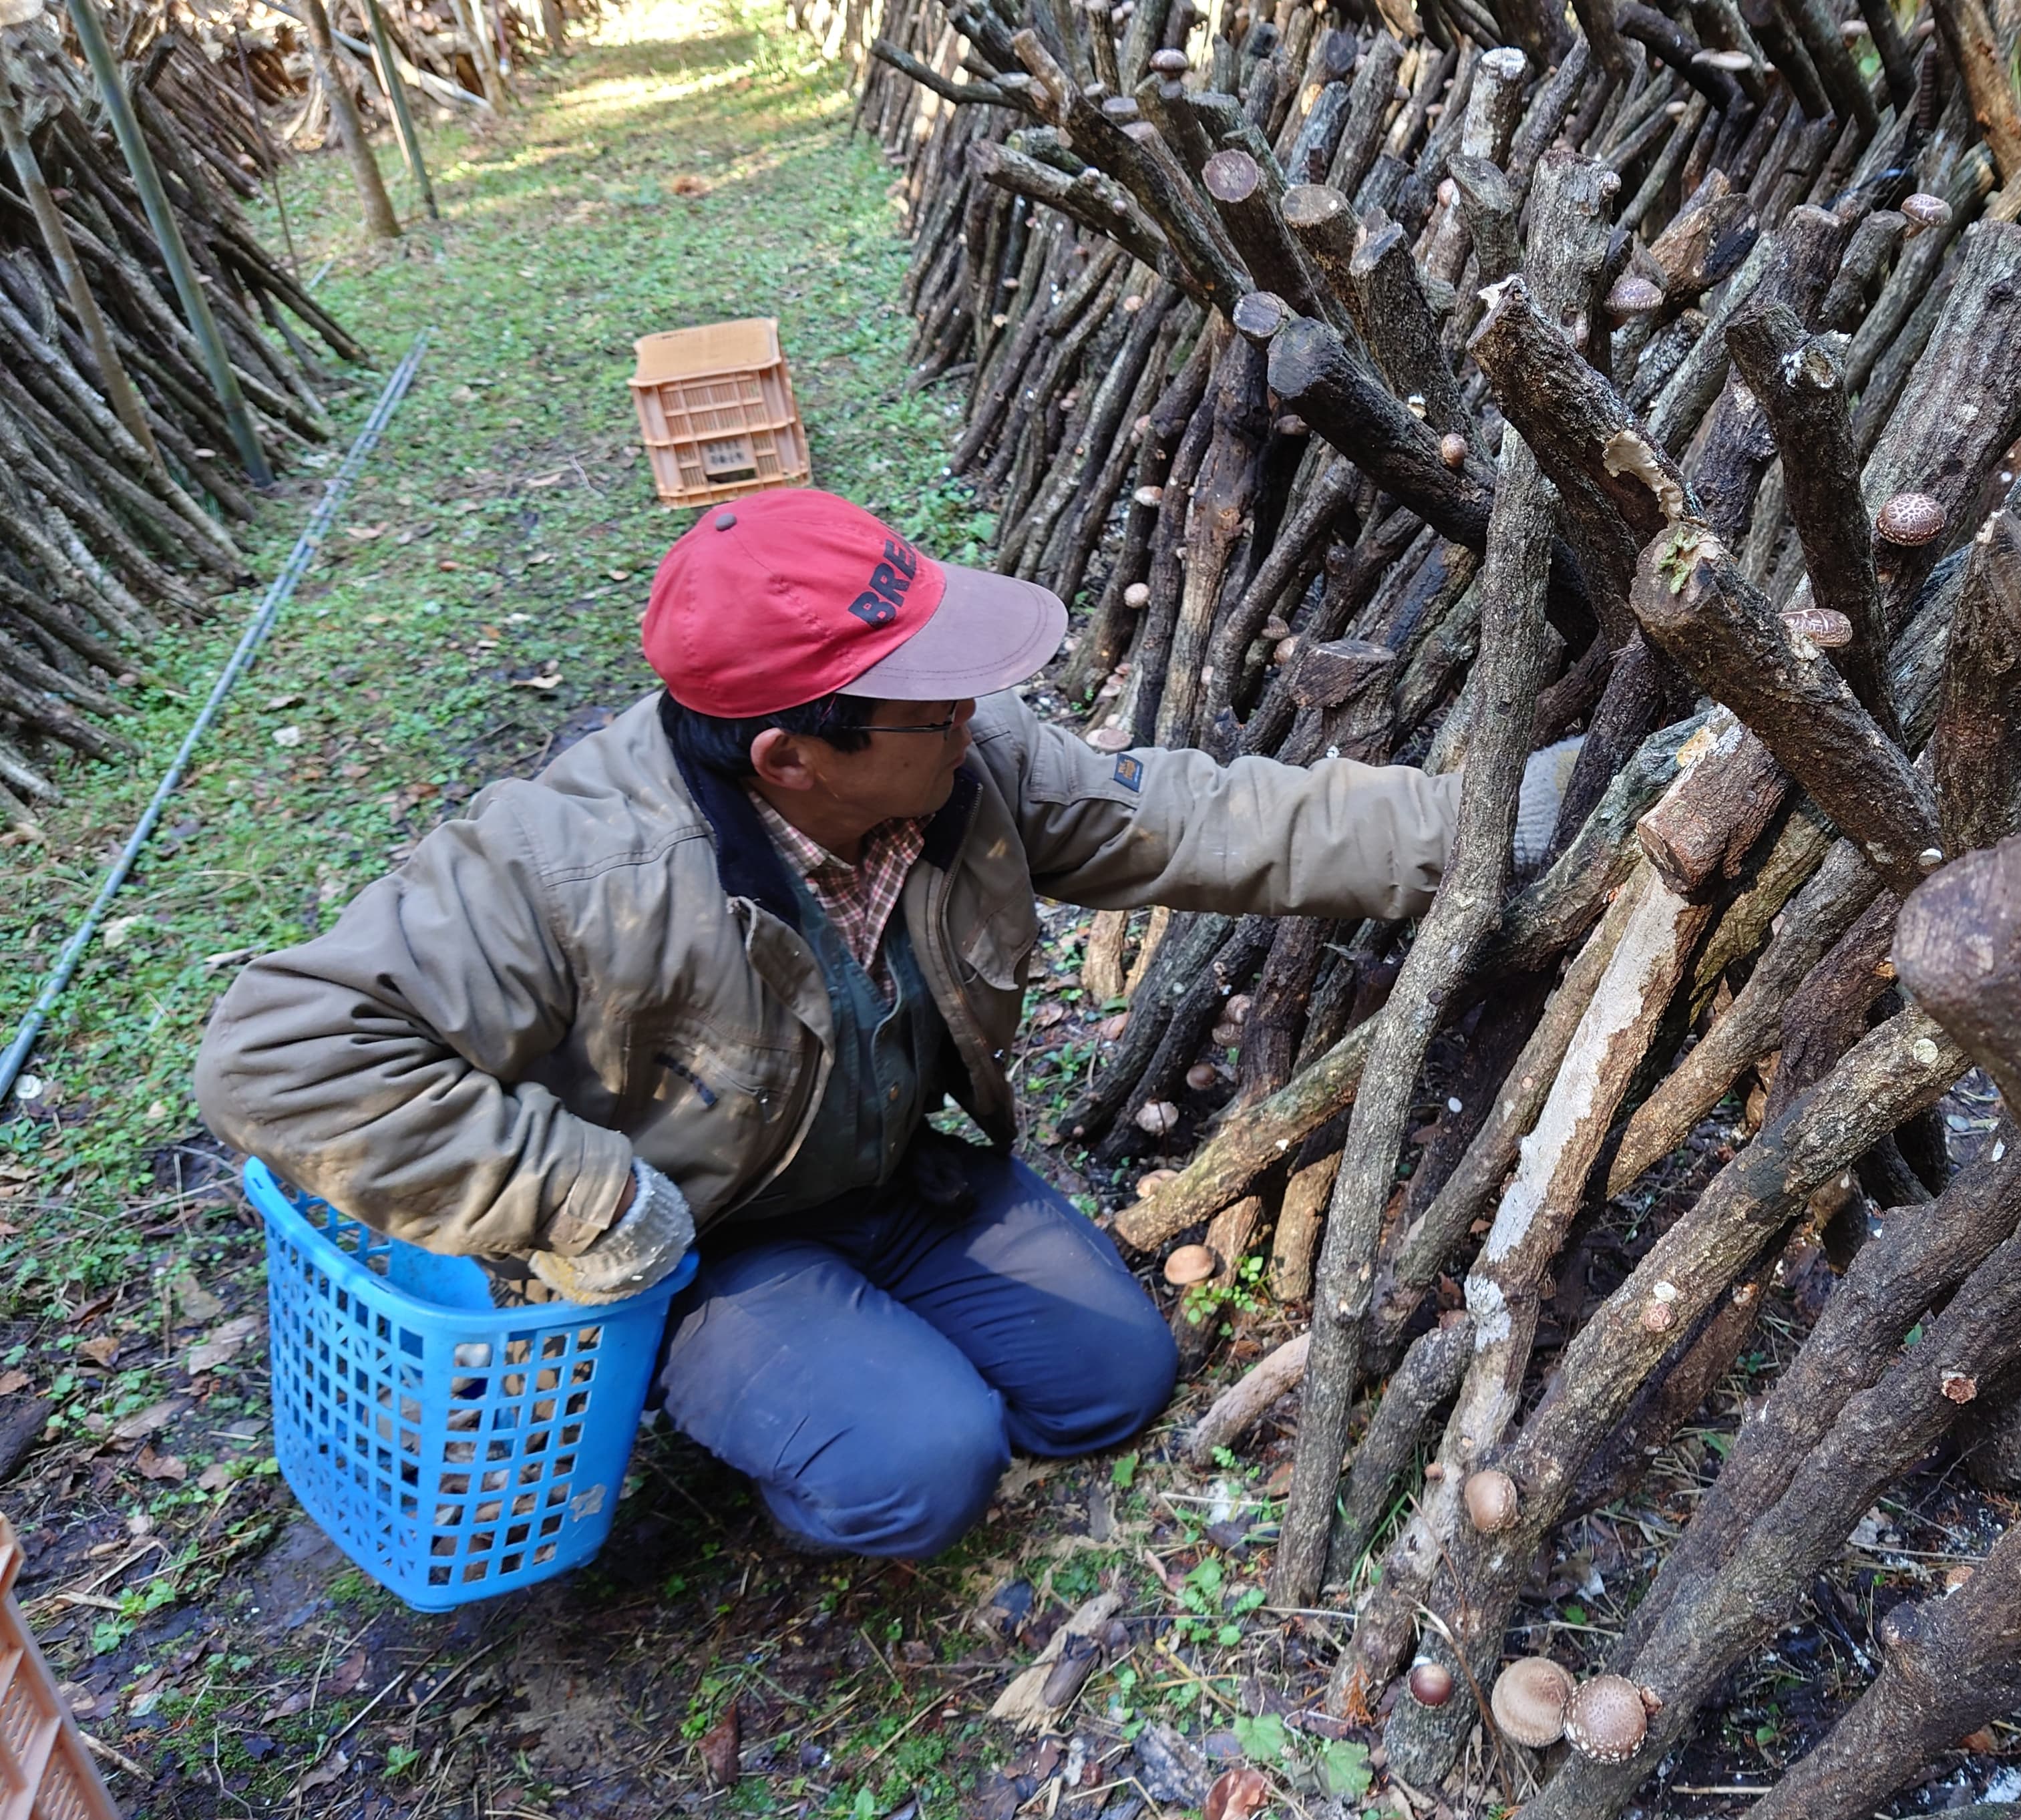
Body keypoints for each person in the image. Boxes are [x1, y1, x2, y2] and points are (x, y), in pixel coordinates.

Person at [196, 489, 1457, 1560]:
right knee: (923, 1470)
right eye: (934, 705)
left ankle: (857, 1346)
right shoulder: (575, 869)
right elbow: (275, 1051)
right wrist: (588, 1204)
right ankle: (795, 1394)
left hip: (884, 1173)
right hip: (700, 1240)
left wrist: (1481, 825)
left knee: (1111, 1385)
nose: (976, 716)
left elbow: (1196, 817)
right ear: (791, 759)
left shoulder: (959, 764)